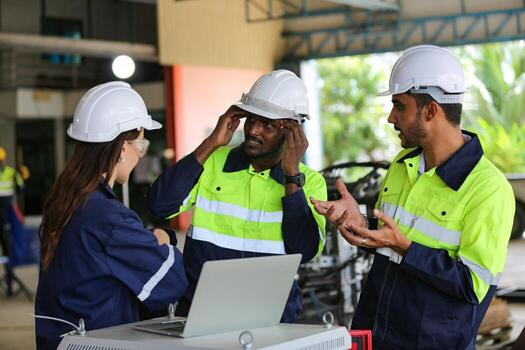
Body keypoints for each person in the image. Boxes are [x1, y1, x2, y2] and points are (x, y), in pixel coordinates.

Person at [310, 45, 515, 349]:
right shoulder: (402, 164)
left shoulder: (488, 188)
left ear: (431, 110)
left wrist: (404, 247)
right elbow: (389, 242)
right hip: (373, 336)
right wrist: (360, 223)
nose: (391, 117)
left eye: (399, 105)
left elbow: (472, 286)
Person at [146, 69, 327, 322]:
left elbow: (303, 250)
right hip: (202, 314)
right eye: (251, 119)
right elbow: (159, 205)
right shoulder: (211, 161)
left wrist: (291, 176)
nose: (253, 129)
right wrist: (211, 143)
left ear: (292, 131)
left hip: (272, 319)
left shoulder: (310, 183)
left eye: (267, 124)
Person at [35, 82, 188, 350]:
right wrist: (162, 240)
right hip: (100, 342)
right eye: (140, 144)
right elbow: (170, 284)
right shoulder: (109, 218)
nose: (141, 154)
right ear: (120, 148)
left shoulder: (66, 202)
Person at [0, 147, 25, 296]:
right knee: (7, 249)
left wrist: (21, 175)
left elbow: (21, 188)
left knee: (8, 249)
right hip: (5, 215)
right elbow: (21, 188)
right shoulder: (10, 171)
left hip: (6, 215)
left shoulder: (11, 172)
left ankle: (9, 285)